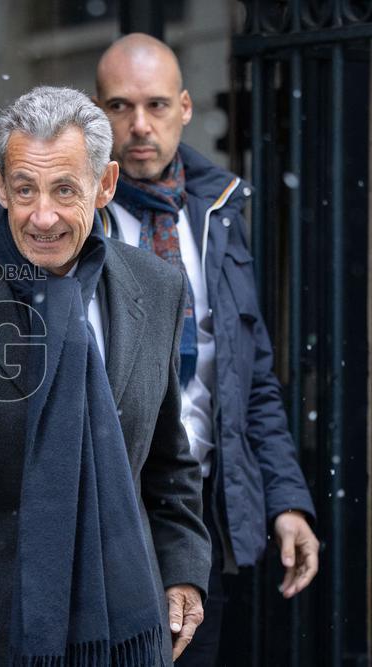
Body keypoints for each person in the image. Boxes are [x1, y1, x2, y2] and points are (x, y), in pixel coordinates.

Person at [0, 86, 211, 667]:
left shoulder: (157, 288)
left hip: (129, 630)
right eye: (24, 189)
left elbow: (168, 465)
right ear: (1, 185)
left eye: (64, 190)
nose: (41, 216)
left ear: (105, 185)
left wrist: (182, 572)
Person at [93, 33, 318, 665]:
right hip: (108, 508)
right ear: (96, 109)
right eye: (120, 106)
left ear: (185, 108)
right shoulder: (70, 217)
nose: (140, 126)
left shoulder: (219, 212)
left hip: (203, 510)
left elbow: (252, 378)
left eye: (157, 105)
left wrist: (286, 499)